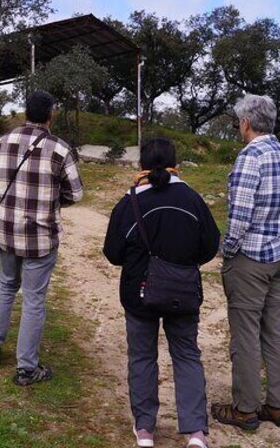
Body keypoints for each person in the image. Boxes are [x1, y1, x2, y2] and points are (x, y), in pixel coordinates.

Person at [103, 138, 219, 448]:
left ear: (141, 165)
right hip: (183, 293)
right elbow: (210, 246)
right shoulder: (193, 200)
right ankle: (196, 433)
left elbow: (112, 253)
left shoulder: (129, 203)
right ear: (174, 162)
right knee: (187, 356)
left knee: (142, 357)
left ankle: (145, 431)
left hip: (138, 293)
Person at [211, 94, 280, 431]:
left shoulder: (251, 157)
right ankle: (279, 405)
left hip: (250, 257)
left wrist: (228, 250)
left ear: (246, 122)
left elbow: (239, 215)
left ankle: (245, 409)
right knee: (274, 329)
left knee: (245, 334)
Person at [0, 90, 84, 386]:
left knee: (5, 284)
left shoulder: (3, 142)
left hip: (6, 230)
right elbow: (76, 193)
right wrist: (53, 202)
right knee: (34, 298)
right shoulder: (60, 149)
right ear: (50, 114)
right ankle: (27, 367)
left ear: (25, 112)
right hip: (40, 237)